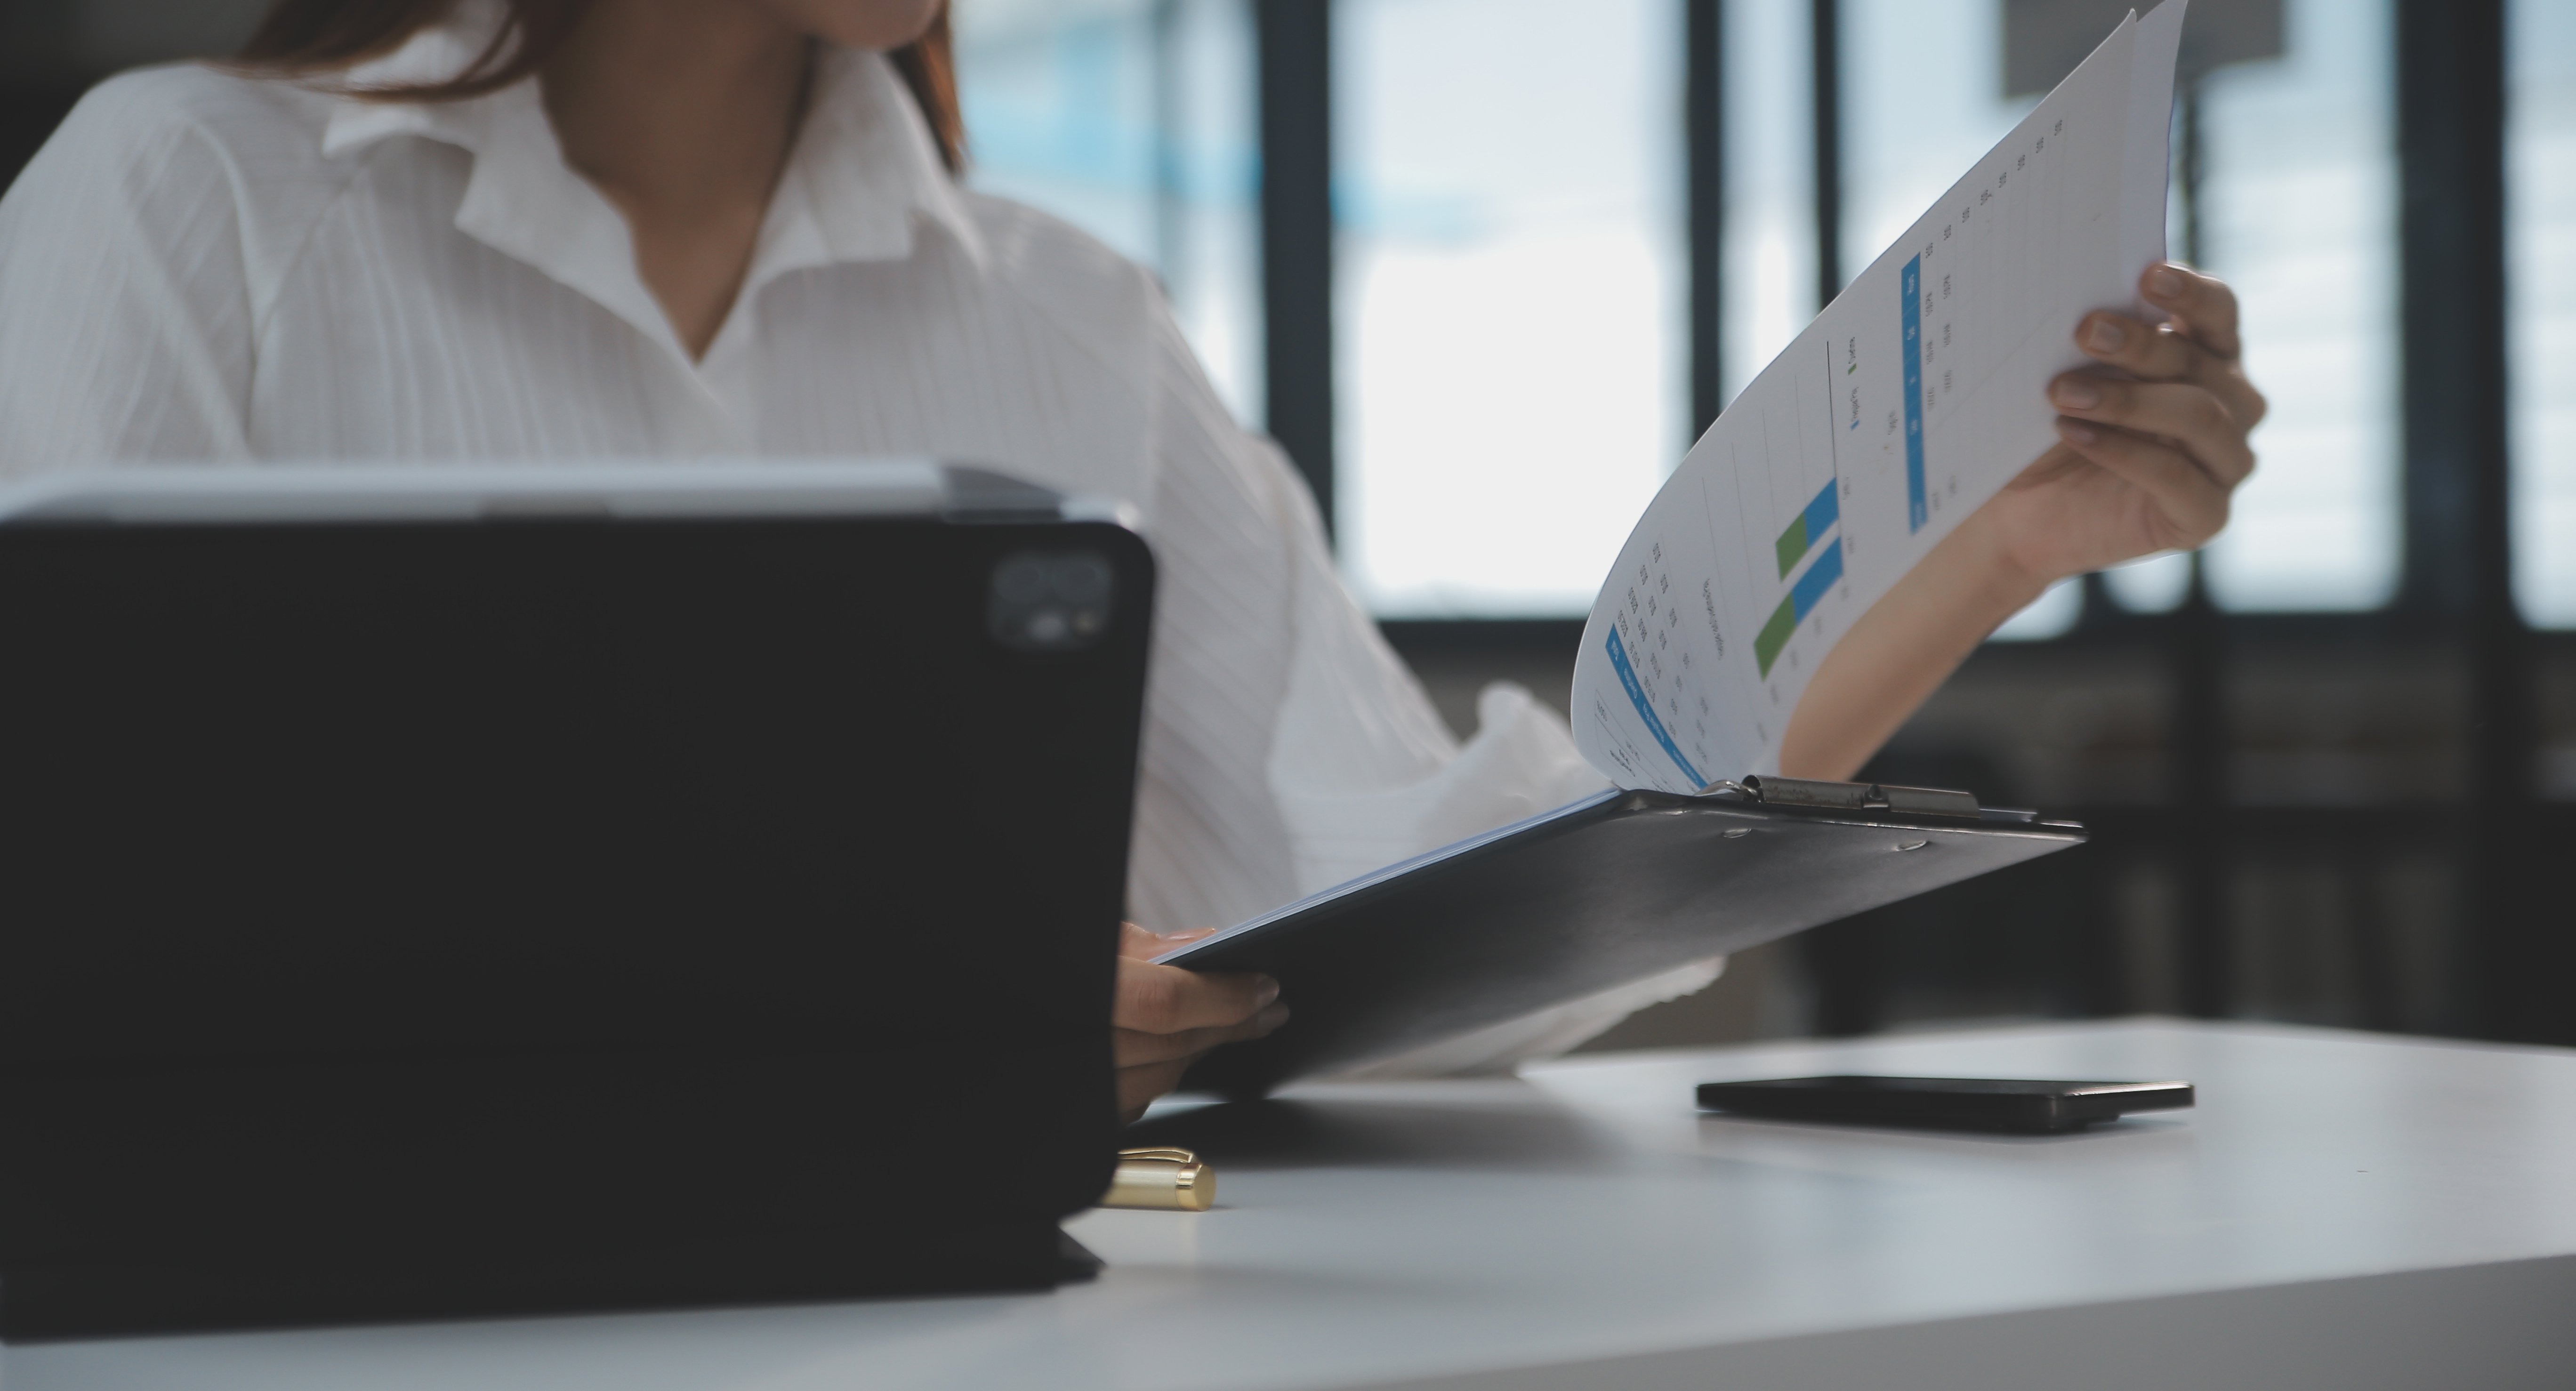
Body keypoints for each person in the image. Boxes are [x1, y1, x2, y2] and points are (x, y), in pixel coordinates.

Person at [0, 0, 2262, 1120]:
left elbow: (1419, 907)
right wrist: (881, 1003)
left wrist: (1986, 552)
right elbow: (87, 932)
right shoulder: (189, 203)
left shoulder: (1054, 312)